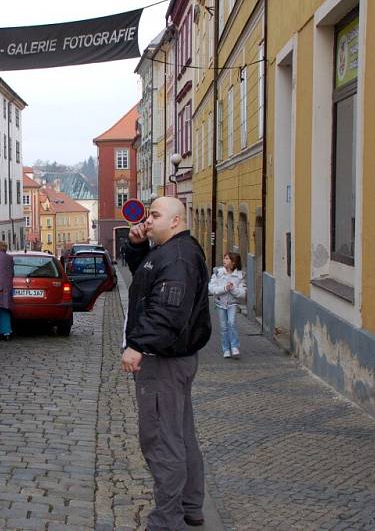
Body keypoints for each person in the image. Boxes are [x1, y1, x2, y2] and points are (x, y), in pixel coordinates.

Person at [120, 197, 212, 530]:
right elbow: (146, 278)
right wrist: (136, 245)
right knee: (181, 435)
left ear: (175, 220)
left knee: (160, 439)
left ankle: (167, 519)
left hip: (163, 360)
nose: (147, 220)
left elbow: (167, 311)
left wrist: (138, 346)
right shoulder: (171, 251)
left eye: (155, 216)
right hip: (175, 358)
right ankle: (190, 505)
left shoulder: (177, 257)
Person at [209, 252, 246, 359]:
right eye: (224, 258)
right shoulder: (218, 273)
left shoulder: (240, 276)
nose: (224, 260)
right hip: (220, 304)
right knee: (224, 326)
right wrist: (224, 288)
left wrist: (233, 289)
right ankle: (225, 348)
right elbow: (211, 288)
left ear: (233, 262)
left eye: (227, 259)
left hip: (232, 304)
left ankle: (234, 346)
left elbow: (243, 293)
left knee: (232, 322)